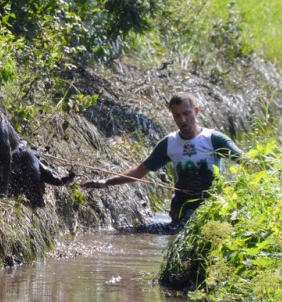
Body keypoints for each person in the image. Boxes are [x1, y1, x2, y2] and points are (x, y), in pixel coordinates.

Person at [81, 92, 244, 230]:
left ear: (196, 111)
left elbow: (245, 162)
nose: (182, 120)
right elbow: (139, 172)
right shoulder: (169, 143)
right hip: (181, 209)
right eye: (177, 115)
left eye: (186, 113)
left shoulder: (214, 139)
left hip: (211, 206)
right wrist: (107, 181)